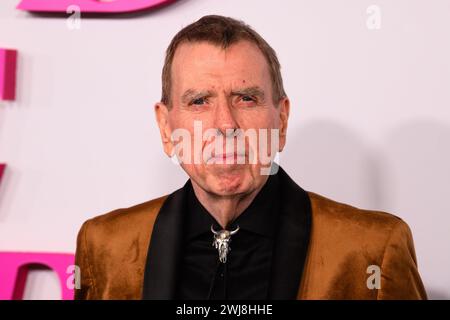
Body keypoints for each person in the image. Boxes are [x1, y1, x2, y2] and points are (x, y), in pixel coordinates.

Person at [74, 15, 427, 300]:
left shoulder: (372, 250)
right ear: (166, 128)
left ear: (282, 120)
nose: (225, 124)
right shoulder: (105, 246)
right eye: (199, 101)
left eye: (246, 98)